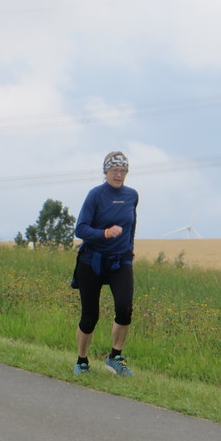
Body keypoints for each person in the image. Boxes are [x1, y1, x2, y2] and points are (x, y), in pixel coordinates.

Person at [72, 151, 138, 376]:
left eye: (123, 171)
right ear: (106, 171)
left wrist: (129, 250)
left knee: (125, 309)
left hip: (120, 262)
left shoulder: (132, 195)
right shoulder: (96, 195)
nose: (119, 175)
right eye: (115, 170)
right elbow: (80, 229)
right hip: (93, 260)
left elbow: (131, 225)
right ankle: (82, 360)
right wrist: (105, 233)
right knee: (90, 317)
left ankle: (115, 357)